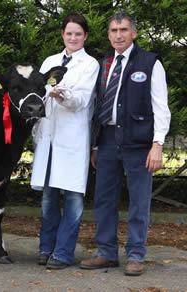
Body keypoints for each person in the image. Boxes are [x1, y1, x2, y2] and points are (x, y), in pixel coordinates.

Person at [79, 11, 171, 276]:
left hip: (139, 143)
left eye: (123, 30)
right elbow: (98, 106)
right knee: (104, 200)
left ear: (134, 33)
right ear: (108, 35)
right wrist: (96, 145)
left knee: (139, 201)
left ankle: (135, 254)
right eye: (113, 31)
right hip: (107, 141)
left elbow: (161, 107)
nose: (118, 35)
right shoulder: (105, 62)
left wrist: (157, 144)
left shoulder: (150, 62)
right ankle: (107, 252)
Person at [30, 14, 99, 269]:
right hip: (49, 137)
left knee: (72, 199)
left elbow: (82, 99)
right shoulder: (50, 61)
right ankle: (46, 248)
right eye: (69, 33)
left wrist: (61, 96)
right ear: (62, 34)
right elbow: (37, 93)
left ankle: (63, 253)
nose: (73, 38)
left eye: (78, 34)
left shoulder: (90, 65)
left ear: (85, 37)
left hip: (73, 138)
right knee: (48, 198)